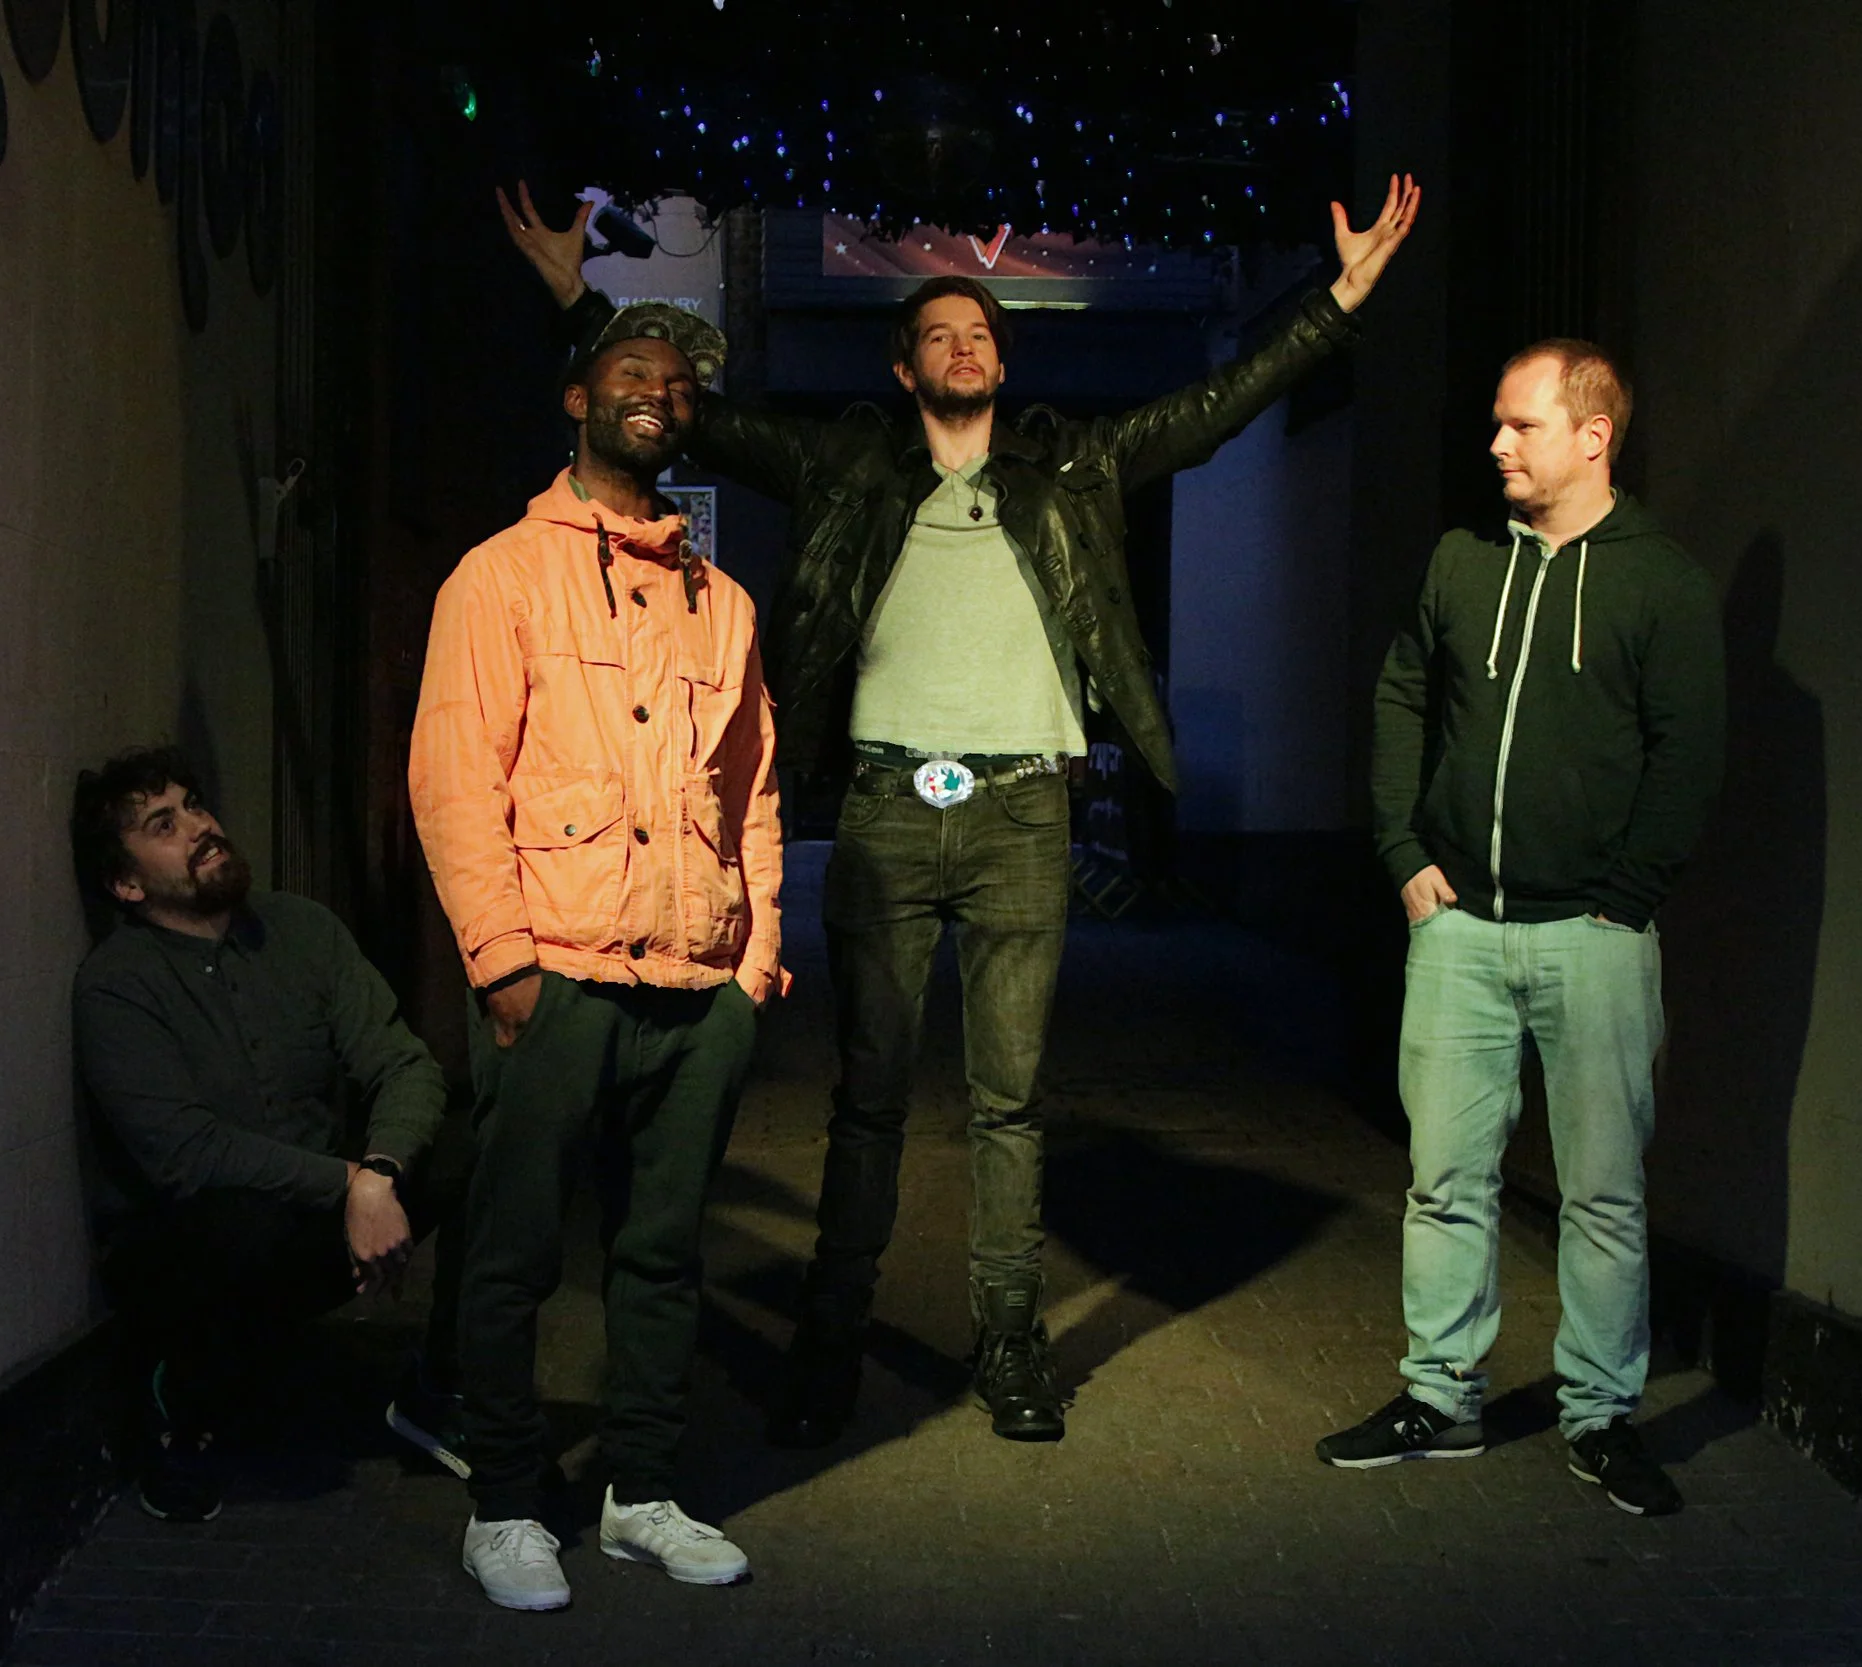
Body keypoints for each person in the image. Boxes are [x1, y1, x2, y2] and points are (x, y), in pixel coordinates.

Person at [499, 173, 1421, 1449]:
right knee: (869, 1096)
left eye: (979, 332)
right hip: (884, 806)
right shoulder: (841, 466)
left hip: (1021, 814)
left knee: (1009, 1100)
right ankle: (828, 1345)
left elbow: (1216, 407)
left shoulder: (1076, 469)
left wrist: (1341, 300)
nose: (962, 346)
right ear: (900, 365)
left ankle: (1010, 1346)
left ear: (1003, 356)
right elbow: (684, 417)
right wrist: (572, 297)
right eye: (936, 333)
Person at [408, 301, 787, 1612]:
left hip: (695, 981)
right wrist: (504, 961)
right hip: (556, 975)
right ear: (578, 397)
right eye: (634, 372)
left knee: (663, 1248)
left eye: (680, 384)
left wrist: (753, 964)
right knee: (512, 1253)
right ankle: (505, 1501)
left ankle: (643, 1491)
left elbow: (754, 793)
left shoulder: (723, 602)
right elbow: (456, 779)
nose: (660, 395)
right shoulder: (499, 576)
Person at [1322, 341, 1724, 1517]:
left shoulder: (1663, 584)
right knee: (1445, 1180)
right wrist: (1403, 853)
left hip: (1594, 936)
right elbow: (1402, 691)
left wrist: (1630, 890)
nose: (1496, 445)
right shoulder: (1459, 565)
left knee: (1602, 1192)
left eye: (1521, 426)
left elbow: (1689, 751)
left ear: (1593, 435)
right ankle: (1438, 1397)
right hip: (1458, 933)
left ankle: (1600, 1417)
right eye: (1496, 425)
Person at [71, 748, 465, 1524]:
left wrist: (380, 1171)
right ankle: (180, 1413)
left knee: (480, 1143)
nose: (201, 825)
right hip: (193, 1247)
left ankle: (442, 1386)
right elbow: (187, 1153)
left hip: (320, 1216)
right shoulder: (117, 983)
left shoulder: (301, 929)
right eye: (165, 823)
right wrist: (349, 1185)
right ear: (127, 883)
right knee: (235, 1219)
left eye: (194, 804)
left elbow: (404, 1063)